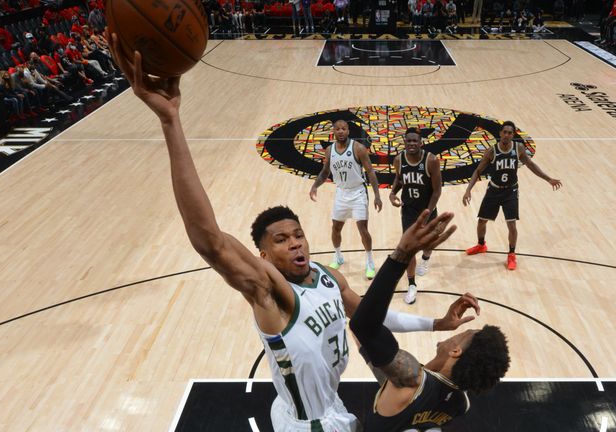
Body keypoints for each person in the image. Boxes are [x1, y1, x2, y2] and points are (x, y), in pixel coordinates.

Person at [105, 31, 479, 432]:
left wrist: (436, 325)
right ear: (264, 257)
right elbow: (209, 240)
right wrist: (170, 121)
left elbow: (373, 318)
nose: (295, 242)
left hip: (331, 406)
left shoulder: (326, 277)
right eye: (280, 240)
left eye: (297, 233)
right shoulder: (270, 291)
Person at [349, 210, 510, 431]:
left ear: (456, 351)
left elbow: (364, 326)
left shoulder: (411, 377)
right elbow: (375, 353)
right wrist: (436, 324)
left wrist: (402, 255)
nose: (454, 333)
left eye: (462, 335)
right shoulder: (460, 404)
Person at [462, 121, 562, 270]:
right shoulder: (492, 151)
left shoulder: (518, 148)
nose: (507, 135)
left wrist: (548, 179)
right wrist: (468, 190)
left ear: (513, 135)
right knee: (482, 221)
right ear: (500, 133)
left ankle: (511, 254)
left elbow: (530, 165)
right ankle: (481, 245)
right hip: (494, 190)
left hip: (510, 191)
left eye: (510, 133)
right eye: (505, 132)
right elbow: (478, 171)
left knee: (511, 224)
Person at [310, 119, 382, 279]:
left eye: (344, 129)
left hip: (358, 193)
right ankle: (338, 256)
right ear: (333, 131)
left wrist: (377, 196)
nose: (341, 131)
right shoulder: (329, 150)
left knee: (363, 230)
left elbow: (370, 172)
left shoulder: (358, 148)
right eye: (338, 129)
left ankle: (370, 261)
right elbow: (324, 172)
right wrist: (315, 185)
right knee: (336, 228)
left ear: (348, 131)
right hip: (341, 193)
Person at [389, 127, 441, 304]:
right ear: (405, 141)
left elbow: (437, 191)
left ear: (421, 143)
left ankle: (425, 259)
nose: (411, 144)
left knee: (429, 243)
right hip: (409, 211)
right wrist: (392, 193)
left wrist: (428, 212)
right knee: (408, 249)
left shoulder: (431, 161)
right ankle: (412, 285)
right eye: (408, 140)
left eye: (415, 141)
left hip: (427, 209)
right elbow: (399, 179)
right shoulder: (398, 160)